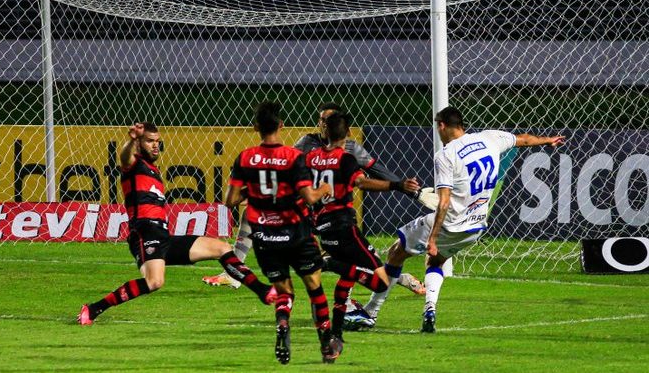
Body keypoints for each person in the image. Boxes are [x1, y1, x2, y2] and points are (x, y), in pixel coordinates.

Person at [345, 106, 565, 332]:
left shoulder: (446, 154)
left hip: (449, 223)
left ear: (442, 126)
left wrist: (432, 238)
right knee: (436, 262)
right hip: (476, 226)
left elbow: (443, 202)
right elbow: (524, 140)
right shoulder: (489, 138)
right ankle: (430, 309)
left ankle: (371, 312)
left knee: (395, 253)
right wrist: (547, 140)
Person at [203, 102, 427, 296]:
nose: (323, 124)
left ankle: (402, 278)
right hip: (306, 210)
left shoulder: (350, 149)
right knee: (252, 217)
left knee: (360, 264)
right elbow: (286, 169)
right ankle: (234, 274)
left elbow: (374, 170)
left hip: (334, 216)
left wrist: (405, 188)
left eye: (327, 120)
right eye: (320, 119)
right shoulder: (306, 143)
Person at [77, 122, 276, 326]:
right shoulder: (134, 165)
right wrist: (132, 141)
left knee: (222, 247)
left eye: (157, 141)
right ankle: (94, 308)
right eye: (149, 141)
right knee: (154, 282)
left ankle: (262, 290)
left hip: (163, 236)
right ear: (139, 143)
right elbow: (124, 157)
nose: (155, 146)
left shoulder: (153, 170)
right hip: (144, 233)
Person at [225, 101, 339, 364]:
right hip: (296, 233)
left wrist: (252, 192)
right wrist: (323, 189)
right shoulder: (293, 156)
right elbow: (309, 197)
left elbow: (230, 200)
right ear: (281, 125)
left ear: (255, 127)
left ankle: (283, 324)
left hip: (265, 236)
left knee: (284, 291)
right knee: (315, 288)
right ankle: (325, 343)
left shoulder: (245, 157)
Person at [305, 111, 420, 344]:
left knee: (347, 278)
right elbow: (361, 182)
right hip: (344, 228)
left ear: (325, 131)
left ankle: (336, 332)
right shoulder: (344, 158)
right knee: (381, 282)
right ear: (348, 133)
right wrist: (396, 185)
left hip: (323, 229)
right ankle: (328, 263)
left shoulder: (311, 157)